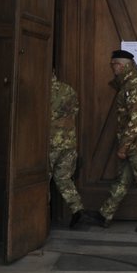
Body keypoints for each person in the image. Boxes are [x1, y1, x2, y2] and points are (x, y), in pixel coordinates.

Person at [79, 49, 137, 233]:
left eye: (114, 65)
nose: (112, 68)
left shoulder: (134, 85)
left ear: (123, 65)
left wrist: (124, 145)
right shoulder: (129, 82)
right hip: (135, 142)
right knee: (122, 180)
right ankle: (105, 214)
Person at [49, 71, 85, 228]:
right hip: (68, 142)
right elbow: (75, 111)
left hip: (50, 143)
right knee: (64, 178)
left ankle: (39, 219)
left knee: (42, 180)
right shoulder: (68, 89)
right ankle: (77, 210)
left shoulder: (42, 89)